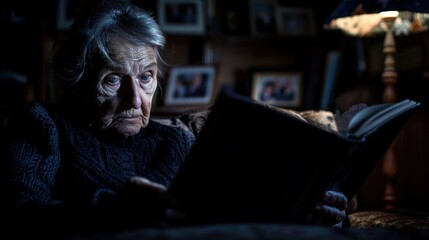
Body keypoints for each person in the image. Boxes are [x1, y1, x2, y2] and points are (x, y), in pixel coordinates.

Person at [0, 0, 349, 237]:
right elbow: (21, 214)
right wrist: (108, 210)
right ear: (77, 83)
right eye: (112, 80)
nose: (135, 99)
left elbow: (226, 214)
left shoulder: (174, 140)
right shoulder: (44, 124)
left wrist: (297, 214)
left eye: (146, 77)